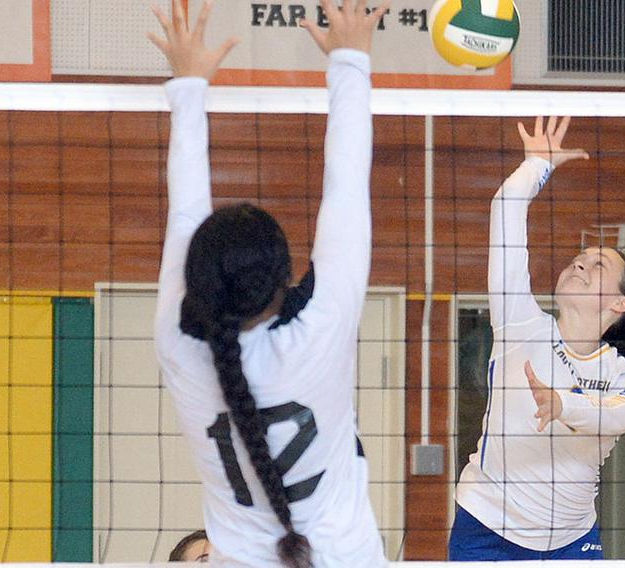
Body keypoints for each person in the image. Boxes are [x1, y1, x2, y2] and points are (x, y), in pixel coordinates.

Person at [150, 0, 389, 566]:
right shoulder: (320, 324)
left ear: (198, 279)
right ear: (285, 279)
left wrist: (189, 86)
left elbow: (186, 215)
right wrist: (349, 58)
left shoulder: (178, 341)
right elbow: (347, 186)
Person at [449, 117, 625, 561]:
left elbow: (612, 417)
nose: (581, 264)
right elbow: (505, 209)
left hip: (570, 540)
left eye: (599, 266)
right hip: (487, 526)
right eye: (581, 258)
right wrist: (537, 166)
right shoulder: (519, 324)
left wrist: (562, 405)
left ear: (618, 305)